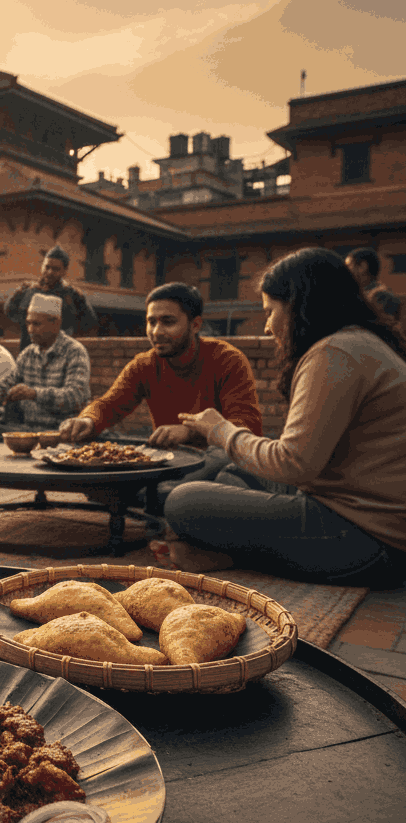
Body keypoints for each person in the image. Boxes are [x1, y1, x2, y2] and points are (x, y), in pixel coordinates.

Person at [153, 247, 406, 587]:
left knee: (182, 501)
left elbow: (294, 463)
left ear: (300, 305)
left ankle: (225, 552)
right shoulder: (358, 342)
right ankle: (225, 549)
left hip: (368, 538)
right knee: (233, 470)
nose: (269, 327)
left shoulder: (335, 353)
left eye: (270, 311)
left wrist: (221, 430)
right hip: (344, 504)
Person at [58, 283, 262, 486]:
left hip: (215, 460)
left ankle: (158, 493)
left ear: (195, 325)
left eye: (168, 322)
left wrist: (191, 431)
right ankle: (160, 494)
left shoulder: (227, 359)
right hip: (170, 460)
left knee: (220, 464)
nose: (156, 331)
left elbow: (248, 426)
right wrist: (88, 421)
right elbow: (109, 404)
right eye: (151, 322)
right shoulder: (144, 364)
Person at [0, 293, 90, 431]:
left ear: (56, 323)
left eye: (36, 324)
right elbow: (6, 386)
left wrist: (35, 394)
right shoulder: (27, 354)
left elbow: (75, 397)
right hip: (29, 430)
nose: (30, 329)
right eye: (28, 323)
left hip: (63, 431)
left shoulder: (74, 351)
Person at [5, 246, 98, 352]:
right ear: (42, 267)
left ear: (64, 271)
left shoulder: (73, 295)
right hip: (29, 354)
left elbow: (89, 323)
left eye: (55, 269)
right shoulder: (27, 291)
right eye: (47, 267)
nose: (49, 272)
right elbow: (8, 310)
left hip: (61, 355)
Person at [345, 247, 402, 326]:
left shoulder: (381, 296)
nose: (346, 271)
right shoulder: (362, 293)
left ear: (362, 267)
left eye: (349, 265)